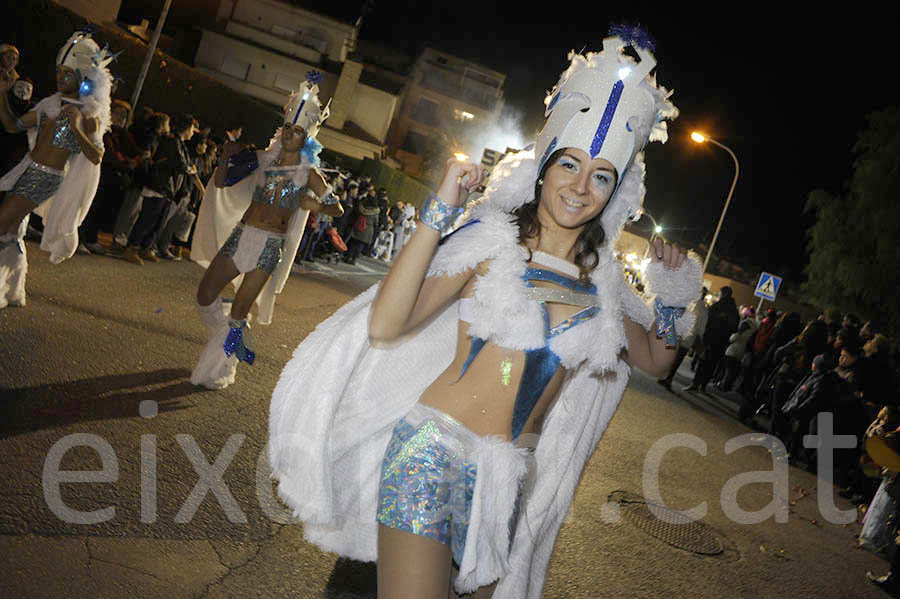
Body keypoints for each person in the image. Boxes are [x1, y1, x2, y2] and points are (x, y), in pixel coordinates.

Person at [269, 31, 699, 598]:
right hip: (431, 454)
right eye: (568, 164)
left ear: (614, 191)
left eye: (600, 175)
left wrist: (671, 298)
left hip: (506, 484)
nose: (580, 185)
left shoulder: (605, 286)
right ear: (543, 166)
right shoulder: (492, 240)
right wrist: (439, 211)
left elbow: (656, 359)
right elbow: (385, 324)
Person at [189, 72, 342, 389]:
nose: (289, 134)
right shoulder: (260, 160)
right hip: (241, 236)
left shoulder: (310, 176)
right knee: (205, 294)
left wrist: (317, 206)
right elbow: (220, 183)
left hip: (270, 247)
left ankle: (221, 367)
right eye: (287, 127)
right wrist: (223, 159)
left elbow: (336, 208)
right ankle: (226, 337)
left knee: (241, 311)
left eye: (297, 130)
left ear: (306, 138)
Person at [0, 31, 111, 305]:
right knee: (9, 230)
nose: (61, 78)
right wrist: (1, 95)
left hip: (45, 177)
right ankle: (13, 289)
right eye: (59, 72)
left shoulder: (88, 112)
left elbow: (96, 155)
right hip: (28, 169)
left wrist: (75, 127)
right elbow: (12, 125)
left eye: (68, 73)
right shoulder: (50, 103)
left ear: (82, 77)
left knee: (2, 223)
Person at [78, 99, 142, 255]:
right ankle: (81, 238)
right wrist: (128, 162)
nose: (120, 118)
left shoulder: (125, 134)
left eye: (124, 115)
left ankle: (91, 238)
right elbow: (109, 154)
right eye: (117, 113)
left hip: (115, 179)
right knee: (91, 207)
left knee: (103, 209)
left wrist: (134, 160)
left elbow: (137, 154)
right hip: (100, 174)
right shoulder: (104, 129)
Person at [685, 286, 738, 392]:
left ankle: (696, 383)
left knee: (703, 362)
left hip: (710, 339)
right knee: (712, 364)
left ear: (723, 293)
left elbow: (708, 321)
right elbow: (734, 327)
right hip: (722, 342)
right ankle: (703, 386)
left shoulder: (718, 306)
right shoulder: (734, 310)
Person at [658, 286, 708, 391]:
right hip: (683, 336)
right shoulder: (696, 306)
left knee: (676, 358)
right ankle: (667, 378)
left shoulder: (699, 308)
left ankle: (668, 379)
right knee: (675, 358)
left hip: (686, 337)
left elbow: (699, 327)